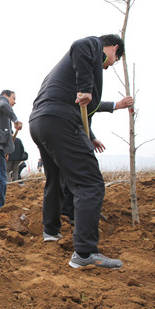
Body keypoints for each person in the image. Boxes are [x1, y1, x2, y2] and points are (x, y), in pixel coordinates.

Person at [28, 34, 133, 269]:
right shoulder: (93, 45)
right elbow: (80, 45)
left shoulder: (64, 71)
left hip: (41, 121)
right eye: (115, 60)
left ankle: (50, 231)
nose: (109, 65)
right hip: (60, 121)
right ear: (114, 48)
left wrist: (91, 136)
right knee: (90, 183)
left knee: (56, 178)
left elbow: (82, 105)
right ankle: (85, 252)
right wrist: (86, 88)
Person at [60, 96, 135, 224]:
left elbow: (82, 118)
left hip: (76, 138)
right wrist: (115, 105)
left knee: (85, 176)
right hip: (67, 139)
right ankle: (69, 214)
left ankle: (85, 211)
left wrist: (92, 138)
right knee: (78, 178)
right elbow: (86, 104)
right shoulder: (72, 92)